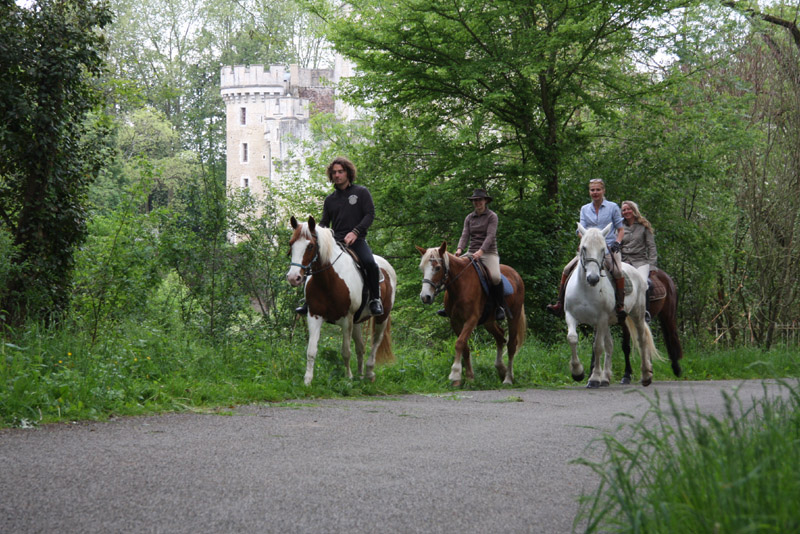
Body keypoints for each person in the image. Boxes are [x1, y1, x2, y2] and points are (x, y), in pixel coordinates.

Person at [295, 157, 384, 317]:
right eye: (334, 172)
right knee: (314, 263)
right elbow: (324, 222)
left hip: (357, 241)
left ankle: (375, 300)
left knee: (370, 263)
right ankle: (308, 301)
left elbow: (370, 214)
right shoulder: (330, 200)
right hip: (335, 242)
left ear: (348, 173)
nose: (337, 175)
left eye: (340, 172)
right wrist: (314, 234)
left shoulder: (361, 192)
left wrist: (355, 232)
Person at [546, 178, 627, 321]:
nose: (595, 192)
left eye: (598, 190)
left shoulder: (613, 207)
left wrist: (617, 242)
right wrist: (583, 240)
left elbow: (621, 229)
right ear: (589, 192)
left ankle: (620, 305)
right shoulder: (584, 209)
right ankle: (559, 303)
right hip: (588, 249)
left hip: (607, 248)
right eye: (592, 190)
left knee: (618, 271)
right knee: (566, 269)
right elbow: (579, 230)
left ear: (603, 191)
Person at [444, 188, 507, 321]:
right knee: (451, 270)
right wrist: (460, 249)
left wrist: (481, 251)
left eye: (480, 200)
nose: (477, 203)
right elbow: (465, 234)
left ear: (485, 201)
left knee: (495, 277)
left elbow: (490, 236)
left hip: (489, 252)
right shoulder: (469, 218)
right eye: (475, 200)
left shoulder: (492, 216)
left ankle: (500, 306)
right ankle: (448, 305)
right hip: (471, 251)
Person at [620, 200, 656, 322]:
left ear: (634, 210)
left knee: (643, 283)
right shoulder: (619, 226)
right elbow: (616, 245)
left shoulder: (644, 226)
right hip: (624, 261)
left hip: (640, 261)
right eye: (624, 210)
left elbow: (651, 247)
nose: (626, 212)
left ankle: (644, 311)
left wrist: (652, 266)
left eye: (628, 209)